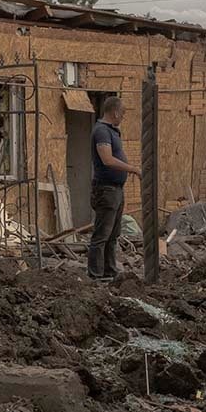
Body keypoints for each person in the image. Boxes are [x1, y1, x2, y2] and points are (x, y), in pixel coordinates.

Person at [88, 96, 140, 282]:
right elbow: (107, 159)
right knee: (102, 234)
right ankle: (95, 274)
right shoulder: (102, 131)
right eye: (123, 113)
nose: (124, 116)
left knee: (113, 234)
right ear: (115, 112)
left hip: (116, 189)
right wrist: (133, 169)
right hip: (106, 189)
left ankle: (109, 270)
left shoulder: (112, 131)